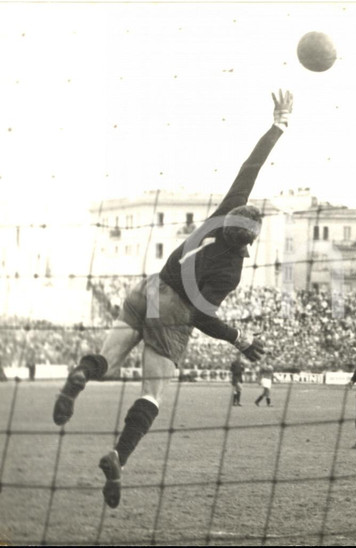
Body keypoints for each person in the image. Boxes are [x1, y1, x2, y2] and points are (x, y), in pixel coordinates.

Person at [51, 89, 294, 509]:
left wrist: (279, 124)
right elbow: (200, 315)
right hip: (174, 310)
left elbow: (250, 167)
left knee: (107, 361)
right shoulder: (231, 269)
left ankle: (80, 375)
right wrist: (238, 338)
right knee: (152, 393)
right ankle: (118, 456)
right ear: (252, 240)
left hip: (146, 289)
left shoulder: (223, 213)